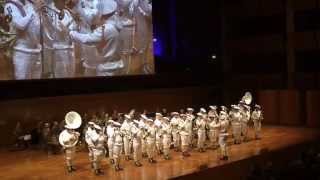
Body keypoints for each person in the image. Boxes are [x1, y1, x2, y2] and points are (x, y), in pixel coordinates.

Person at [68, 0, 124, 76]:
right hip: (118, 65)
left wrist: (71, 33)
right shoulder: (119, 23)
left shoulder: (106, 28)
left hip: (106, 69)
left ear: (102, 14)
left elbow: (87, 39)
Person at [4, 0, 41, 79]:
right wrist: (34, 11)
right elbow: (20, 24)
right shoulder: (9, 5)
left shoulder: (30, 4)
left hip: (37, 51)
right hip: (21, 52)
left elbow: (38, 25)